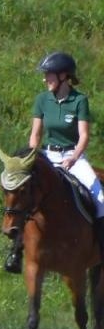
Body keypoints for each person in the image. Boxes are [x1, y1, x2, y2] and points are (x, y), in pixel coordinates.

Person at [28, 51, 104, 225]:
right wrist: (31, 156)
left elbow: (84, 135)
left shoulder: (79, 100)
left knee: (100, 198)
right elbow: (35, 134)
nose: (44, 79)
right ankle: (17, 247)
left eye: (48, 74)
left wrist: (74, 158)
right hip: (47, 156)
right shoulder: (42, 100)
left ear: (63, 75)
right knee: (25, 193)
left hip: (73, 157)